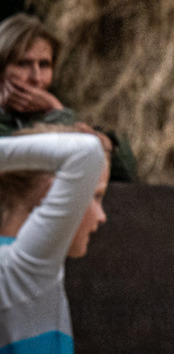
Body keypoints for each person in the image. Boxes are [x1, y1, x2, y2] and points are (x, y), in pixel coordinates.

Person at [1, 124, 109, 352]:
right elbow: (85, 152)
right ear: (53, 194)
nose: (102, 216)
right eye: (96, 196)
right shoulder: (23, 269)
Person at [0, 13, 136, 181]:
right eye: (23, 64)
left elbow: (128, 179)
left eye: (44, 65)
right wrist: (59, 115)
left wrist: (108, 147)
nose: (36, 77)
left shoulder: (63, 113)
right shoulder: (60, 115)